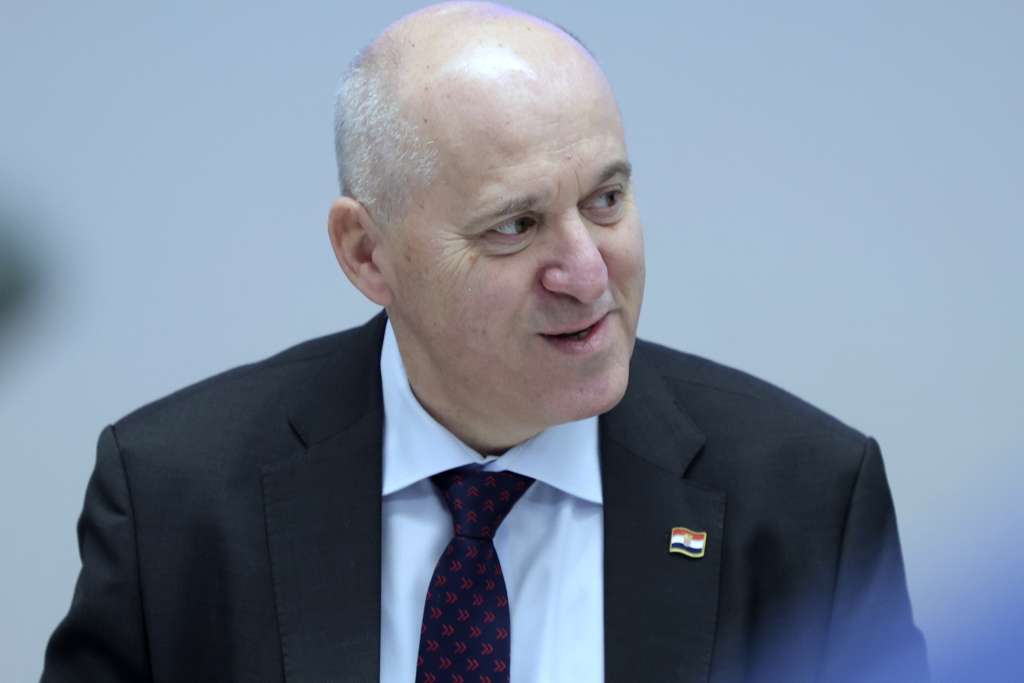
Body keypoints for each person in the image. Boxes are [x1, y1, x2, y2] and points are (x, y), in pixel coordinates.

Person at [41, 2, 928, 681]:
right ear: (366, 252)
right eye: (515, 226)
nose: (587, 272)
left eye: (606, 200)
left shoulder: (805, 500)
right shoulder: (174, 498)